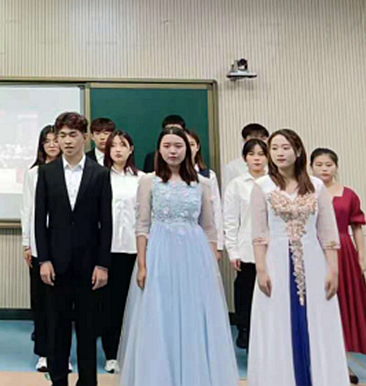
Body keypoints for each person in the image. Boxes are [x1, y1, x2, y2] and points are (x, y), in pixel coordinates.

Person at [119, 127, 238, 386]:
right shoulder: (148, 181)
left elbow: (209, 227)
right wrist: (142, 264)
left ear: (188, 149)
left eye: (178, 146)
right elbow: (142, 225)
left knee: (193, 313)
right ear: (159, 150)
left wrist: (211, 264)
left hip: (195, 254)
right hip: (159, 253)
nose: (172, 151)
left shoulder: (202, 183)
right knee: (160, 313)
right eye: (167, 146)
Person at [248, 130, 349, 386]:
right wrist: (261, 269)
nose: (279, 153)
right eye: (274, 148)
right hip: (275, 261)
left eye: (285, 147)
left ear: (298, 151)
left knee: (318, 320)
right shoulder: (262, 186)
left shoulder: (316, 186)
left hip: (313, 261)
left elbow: (327, 231)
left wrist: (333, 269)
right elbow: (259, 234)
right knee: (277, 321)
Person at [35, 112, 112, 386]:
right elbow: (39, 220)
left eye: (73, 135)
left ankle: (88, 381)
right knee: (58, 330)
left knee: (88, 330)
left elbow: (106, 222)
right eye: (62, 136)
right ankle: (58, 381)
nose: (67, 141)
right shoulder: (46, 173)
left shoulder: (100, 174)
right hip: (56, 263)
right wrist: (43, 259)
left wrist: (103, 264)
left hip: (89, 265)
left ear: (85, 137)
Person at [311, 148, 366, 384]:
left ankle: (343, 363)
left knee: (344, 307)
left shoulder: (349, 195)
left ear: (336, 167)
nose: (324, 169)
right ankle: (317, 361)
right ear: (311, 167)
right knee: (318, 304)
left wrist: (361, 257)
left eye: (328, 164)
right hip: (315, 250)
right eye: (319, 164)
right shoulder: (307, 193)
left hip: (344, 253)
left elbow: (357, 227)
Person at [100, 130, 144, 374]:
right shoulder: (100, 177)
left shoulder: (142, 179)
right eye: (113, 145)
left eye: (123, 145)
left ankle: (134, 352)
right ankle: (111, 354)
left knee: (136, 304)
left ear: (131, 149)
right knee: (110, 305)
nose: (118, 149)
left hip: (135, 249)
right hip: (108, 249)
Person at [21, 125, 62, 373]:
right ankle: (44, 353)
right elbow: (27, 209)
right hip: (38, 246)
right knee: (41, 302)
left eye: (56, 140)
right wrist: (26, 242)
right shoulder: (33, 173)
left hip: (64, 245)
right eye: (47, 141)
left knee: (62, 303)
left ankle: (62, 354)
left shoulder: (69, 172)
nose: (52, 145)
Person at [223, 138, 268, 350]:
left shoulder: (275, 183)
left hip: (272, 249)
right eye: (252, 154)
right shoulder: (237, 184)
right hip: (246, 249)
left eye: (261, 154)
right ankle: (245, 331)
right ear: (244, 158)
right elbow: (230, 219)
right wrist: (233, 251)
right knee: (246, 293)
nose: (256, 158)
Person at [187, 129, 224, 261]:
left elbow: (216, 210)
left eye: (192, 144)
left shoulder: (208, 176)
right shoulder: (167, 176)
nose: (188, 149)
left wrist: (218, 245)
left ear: (197, 147)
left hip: (203, 239)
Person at [222, 123, 269, 195]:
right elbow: (227, 193)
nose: (257, 141)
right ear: (244, 140)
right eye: (253, 137)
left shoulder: (273, 164)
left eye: (262, 138)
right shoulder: (232, 166)